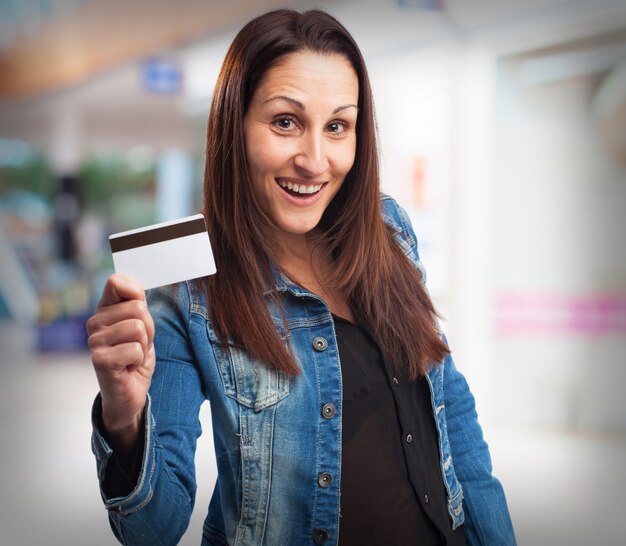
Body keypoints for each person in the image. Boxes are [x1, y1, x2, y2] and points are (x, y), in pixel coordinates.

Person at [87, 8, 517, 546]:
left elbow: (450, 412)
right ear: (234, 125)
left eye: (337, 126)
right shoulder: (188, 289)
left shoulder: (388, 228)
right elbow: (153, 529)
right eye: (286, 121)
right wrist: (124, 419)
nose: (315, 161)